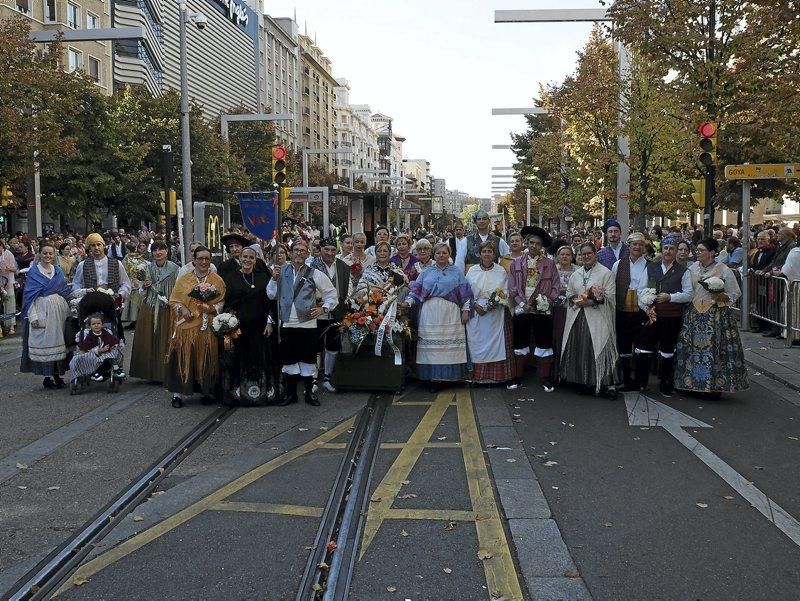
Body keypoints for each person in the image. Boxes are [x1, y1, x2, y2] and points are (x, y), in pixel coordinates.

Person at [267, 238, 338, 407]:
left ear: (308, 254)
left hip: (307, 324)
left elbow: (331, 294)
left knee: (308, 359)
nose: (299, 253)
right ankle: (291, 394)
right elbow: (271, 295)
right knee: (289, 359)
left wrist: (324, 309)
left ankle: (309, 393)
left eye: (302, 250)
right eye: (296, 250)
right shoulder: (280, 271)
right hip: (287, 323)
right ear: (290, 253)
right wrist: (274, 279)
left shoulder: (314, 273)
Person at [674, 239, 749, 394]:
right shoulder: (692, 268)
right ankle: (690, 384)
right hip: (694, 314)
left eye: (701, 250)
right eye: (698, 250)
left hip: (715, 314)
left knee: (716, 351)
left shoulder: (723, 269)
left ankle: (715, 386)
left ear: (712, 252)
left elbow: (735, 292)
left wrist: (723, 297)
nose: (698, 253)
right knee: (691, 350)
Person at [165, 246, 226, 408]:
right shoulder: (184, 279)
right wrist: (183, 309)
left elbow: (222, 303)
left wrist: (212, 308)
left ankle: (206, 392)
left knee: (206, 359)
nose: (203, 262)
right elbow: (174, 300)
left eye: (207, 259)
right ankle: (177, 394)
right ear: (194, 261)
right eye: (200, 258)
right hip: (186, 328)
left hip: (206, 328)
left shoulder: (217, 280)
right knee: (181, 358)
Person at [406, 243, 473, 389]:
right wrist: (407, 303)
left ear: (449, 255)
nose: (441, 255)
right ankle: (433, 378)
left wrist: (466, 311)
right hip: (430, 312)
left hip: (451, 313)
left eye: (444, 253)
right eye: (438, 253)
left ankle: (450, 377)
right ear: (433, 255)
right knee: (432, 347)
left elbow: (465, 294)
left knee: (449, 346)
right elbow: (416, 291)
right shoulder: (426, 271)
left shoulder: (456, 272)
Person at [634, 236, 693, 396]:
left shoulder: (683, 272)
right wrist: (646, 307)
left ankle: (666, 383)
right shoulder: (651, 267)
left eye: (672, 248)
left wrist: (671, 297)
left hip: (671, 316)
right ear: (662, 250)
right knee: (644, 348)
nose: (668, 251)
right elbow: (641, 290)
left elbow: (688, 294)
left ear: (676, 252)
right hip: (650, 315)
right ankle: (641, 382)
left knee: (667, 350)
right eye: (665, 248)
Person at [560, 243, 619, 398]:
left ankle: (603, 381)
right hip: (578, 316)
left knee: (598, 345)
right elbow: (569, 293)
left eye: (589, 254)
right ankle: (581, 380)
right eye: (583, 254)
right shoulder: (576, 274)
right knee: (580, 346)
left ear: (595, 254)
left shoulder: (606, 273)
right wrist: (575, 299)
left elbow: (611, 296)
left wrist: (595, 300)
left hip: (597, 316)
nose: (586, 257)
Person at [507, 227, 560, 391]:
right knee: (520, 342)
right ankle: (517, 377)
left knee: (544, 342)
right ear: (526, 243)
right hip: (523, 308)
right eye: (531, 243)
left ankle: (545, 378)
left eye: (538, 244)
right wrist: (523, 303)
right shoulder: (516, 263)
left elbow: (555, 287)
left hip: (542, 310)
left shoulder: (550, 264)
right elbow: (513, 287)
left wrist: (546, 301)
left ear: (542, 246)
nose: (534, 246)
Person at [221, 247, 275, 404]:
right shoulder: (231, 278)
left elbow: (270, 302)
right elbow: (227, 302)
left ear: (256, 260)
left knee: (258, 356)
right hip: (238, 325)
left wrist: (269, 322)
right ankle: (238, 388)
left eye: (251, 257)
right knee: (239, 357)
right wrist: (229, 320)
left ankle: (260, 389)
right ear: (240, 258)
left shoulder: (263, 277)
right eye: (245, 256)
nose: (247, 260)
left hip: (260, 325)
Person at [465, 241, 519, 386]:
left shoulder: (500, 271)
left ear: (494, 254)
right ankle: (477, 377)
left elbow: (505, 291)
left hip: (495, 312)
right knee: (477, 344)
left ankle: (498, 377)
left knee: (497, 344)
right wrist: (475, 306)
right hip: (476, 312)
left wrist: (491, 305)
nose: (487, 254)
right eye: (484, 252)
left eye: (490, 251)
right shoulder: (472, 271)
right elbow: (466, 292)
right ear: (479, 254)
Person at [19, 242, 71, 388]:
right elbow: (29, 298)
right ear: (39, 254)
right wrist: (33, 317)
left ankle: (58, 375)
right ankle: (47, 377)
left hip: (58, 313)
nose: (48, 256)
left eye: (50, 253)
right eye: (45, 253)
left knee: (60, 343)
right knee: (45, 344)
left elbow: (65, 291)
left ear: (54, 255)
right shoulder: (34, 272)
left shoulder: (58, 270)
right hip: (42, 310)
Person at [128, 241, 179, 382]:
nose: (158, 253)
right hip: (149, 307)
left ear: (167, 251)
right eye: (155, 250)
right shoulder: (146, 268)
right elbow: (141, 293)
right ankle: (150, 373)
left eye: (161, 249)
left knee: (166, 339)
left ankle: (165, 373)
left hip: (167, 307)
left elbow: (178, 289)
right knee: (149, 338)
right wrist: (144, 286)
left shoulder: (175, 269)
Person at [311, 236, 352, 393]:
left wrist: (344, 300)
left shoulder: (343, 266)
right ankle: (313, 379)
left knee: (333, 344)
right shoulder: (311, 265)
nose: (329, 253)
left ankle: (327, 377)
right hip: (317, 310)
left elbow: (348, 287)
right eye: (326, 249)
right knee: (316, 345)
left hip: (336, 311)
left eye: (333, 250)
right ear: (320, 250)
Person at [611, 232, 649, 391]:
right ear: (629, 246)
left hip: (642, 309)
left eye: (641, 244)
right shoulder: (618, 264)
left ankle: (641, 381)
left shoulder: (649, 265)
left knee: (642, 346)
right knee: (624, 345)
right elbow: (612, 285)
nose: (637, 247)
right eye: (634, 244)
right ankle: (625, 378)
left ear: (644, 247)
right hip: (623, 309)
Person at [72, 232, 132, 304]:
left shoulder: (117, 263)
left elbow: (126, 284)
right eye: (93, 245)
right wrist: (84, 291)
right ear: (90, 248)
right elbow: (76, 285)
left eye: (98, 244)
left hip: (112, 303)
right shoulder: (82, 265)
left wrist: (120, 295)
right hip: (91, 303)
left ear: (103, 245)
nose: (96, 248)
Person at [69, 313, 123, 382]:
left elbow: (112, 341)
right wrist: (99, 351)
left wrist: (112, 346)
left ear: (102, 325)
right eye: (94, 324)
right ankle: (93, 372)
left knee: (116, 352)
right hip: (95, 354)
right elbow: (86, 347)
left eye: (98, 323)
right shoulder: (89, 336)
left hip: (106, 353)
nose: (96, 325)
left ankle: (116, 368)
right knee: (83, 356)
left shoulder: (106, 333)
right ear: (90, 326)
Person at [551, 243, 576, 385]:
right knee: (557, 339)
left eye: (568, 254)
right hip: (557, 310)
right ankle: (556, 373)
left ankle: (570, 374)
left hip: (573, 309)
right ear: (557, 256)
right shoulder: (552, 270)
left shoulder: (578, 271)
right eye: (562, 254)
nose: (565, 257)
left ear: (572, 257)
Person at [0, 239, 18, 335]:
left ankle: (11, 325)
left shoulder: (8, 254)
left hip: (8, 282)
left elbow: (15, 268)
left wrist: (8, 268)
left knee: (10, 303)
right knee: (2, 305)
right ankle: (3, 326)